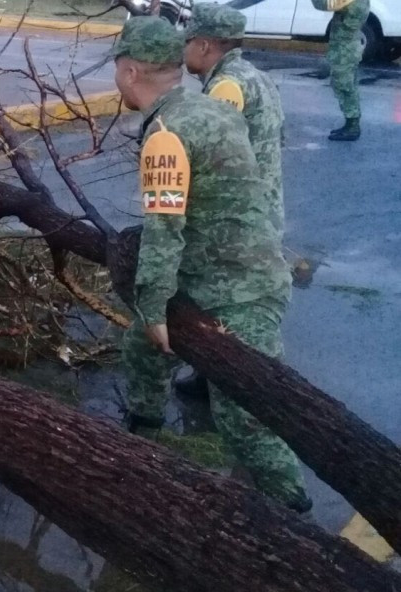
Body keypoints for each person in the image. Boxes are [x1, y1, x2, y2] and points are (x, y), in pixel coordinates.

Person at [111, 17, 312, 513]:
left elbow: (164, 227)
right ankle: (143, 433)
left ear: (131, 72)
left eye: (117, 68)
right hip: (217, 276)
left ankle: (294, 509)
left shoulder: (166, 131)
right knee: (140, 346)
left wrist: (154, 305)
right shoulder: (203, 105)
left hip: (242, 292)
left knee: (243, 418)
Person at [176, 2, 288, 399]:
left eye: (187, 41)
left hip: (237, 221)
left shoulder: (227, 87)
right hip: (263, 208)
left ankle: (243, 394)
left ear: (205, 45)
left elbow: (213, 153)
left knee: (228, 303)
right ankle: (212, 376)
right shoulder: (254, 76)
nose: (183, 49)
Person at [315, 0, 369, 141]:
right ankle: (351, 123)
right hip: (345, 48)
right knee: (347, 86)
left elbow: (324, 5)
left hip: (345, 50)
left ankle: (352, 126)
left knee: (344, 86)